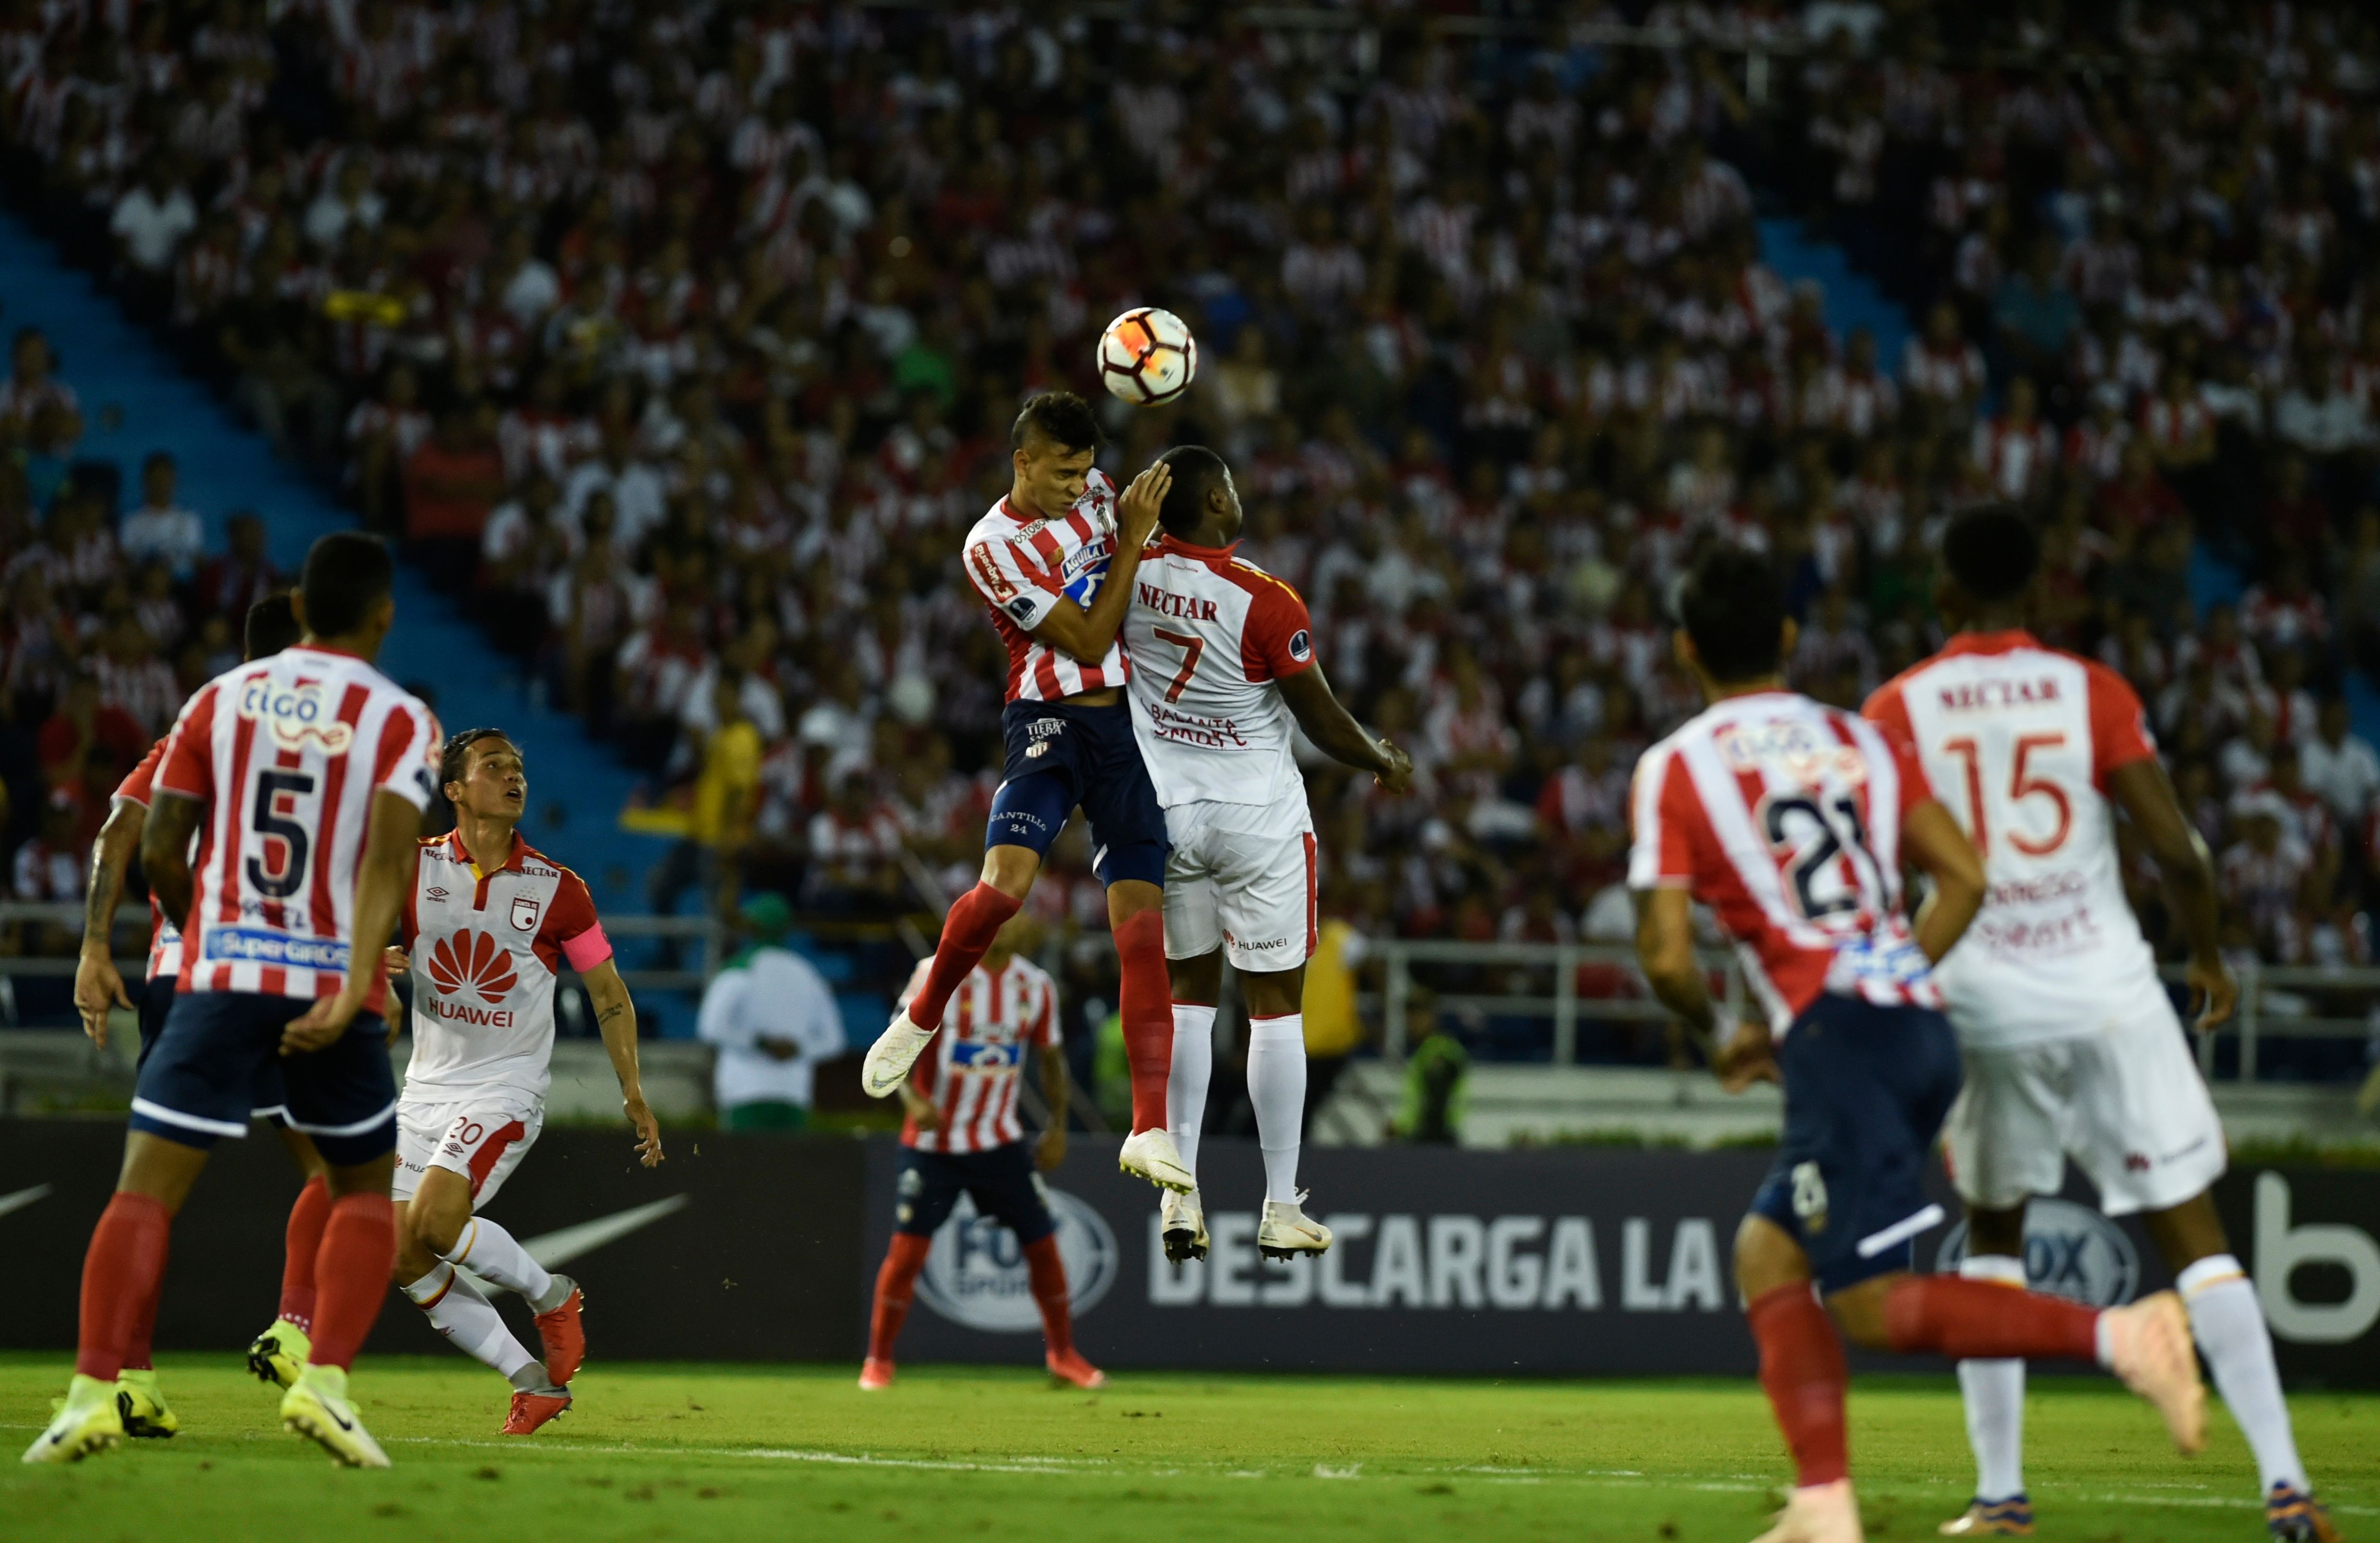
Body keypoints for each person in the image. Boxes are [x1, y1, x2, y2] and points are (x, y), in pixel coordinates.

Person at [1629, 546, 2206, 1543]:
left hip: (1839, 1040)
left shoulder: (1674, 766)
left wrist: (1725, 1035)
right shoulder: (1860, 738)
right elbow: (1965, 878)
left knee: (1867, 1304)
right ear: (1786, 638)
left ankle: (2121, 1330)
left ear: (1684, 651)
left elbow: (1666, 957)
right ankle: (1822, 1499)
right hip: (1916, 1025)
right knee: (1769, 1252)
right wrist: (1890, 969)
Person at [1864, 508, 2341, 1543]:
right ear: (2035, 591)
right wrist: (2206, 951)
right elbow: (2178, 849)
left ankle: (2000, 1498)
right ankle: (2286, 1485)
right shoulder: (2092, 691)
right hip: (2110, 993)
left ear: (1943, 593)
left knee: (1993, 1233)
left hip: (1985, 1007)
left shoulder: (1899, 705)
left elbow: (1879, 869)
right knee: (2195, 1236)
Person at [27, 533, 437, 1468]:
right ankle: (325, 1383)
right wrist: (350, 982)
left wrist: (205, 933)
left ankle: (94, 1391)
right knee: (362, 1191)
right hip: (329, 982)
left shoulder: (218, 700)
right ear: (382, 614)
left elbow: (157, 841)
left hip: (214, 974)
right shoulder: (398, 717)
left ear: (299, 612)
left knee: (145, 1190)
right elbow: (384, 862)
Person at [860, 392, 1191, 1195]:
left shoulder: (1104, 495)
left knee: (1142, 929)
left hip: (1125, 736)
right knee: (1004, 888)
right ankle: (920, 1016)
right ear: (1023, 461)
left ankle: (1151, 1129)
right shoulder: (989, 545)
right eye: (1063, 473)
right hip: (1045, 721)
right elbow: (1082, 636)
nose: (1079, 487)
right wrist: (1135, 541)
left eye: (1085, 471)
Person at [1121, 445, 1412, 1263]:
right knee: (1273, 1007)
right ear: (1214, 502)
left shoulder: (1127, 577)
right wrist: (1380, 758)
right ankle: (1279, 1204)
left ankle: (1180, 1199)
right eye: (1231, 488)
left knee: (1187, 1001)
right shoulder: (1261, 599)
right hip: (1256, 818)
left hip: (1167, 813)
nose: (1238, 496)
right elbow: (1320, 721)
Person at [360, 726, 662, 1436]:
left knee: (435, 1221)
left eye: (518, 766)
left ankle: (550, 1292)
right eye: (493, 766)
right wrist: (377, 974)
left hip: (505, 1089)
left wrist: (633, 1090)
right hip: (426, 1088)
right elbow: (371, 980)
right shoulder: (408, 870)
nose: (512, 776)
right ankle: (531, 1380)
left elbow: (609, 994)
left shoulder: (560, 890)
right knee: (398, 1248)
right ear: (456, 790)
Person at [71, 595, 317, 1439]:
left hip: (185, 975)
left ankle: (124, 1378)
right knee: (347, 1171)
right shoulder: (332, 738)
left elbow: (120, 825)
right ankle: (299, 1331)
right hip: (285, 975)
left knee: (147, 1195)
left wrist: (95, 945)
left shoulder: (198, 726)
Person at [861, 912, 1102, 1391]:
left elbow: (1051, 1061)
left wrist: (1056, 1126)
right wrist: (912, 1101)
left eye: (1019, 919)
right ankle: (878, 1360)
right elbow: (894, 1046)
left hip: (999, 1141)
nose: (1012, 925)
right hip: (933, 1144)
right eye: (1003, 915)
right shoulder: (935, 971)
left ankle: (1062, 1355)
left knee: (1043, 1245)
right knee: (907, 1253)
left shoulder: (1036, 986)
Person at [697, 893, 847, 1130]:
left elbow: (711, 1027)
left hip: (744, 1090)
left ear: (752, 928)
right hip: (793, 1092)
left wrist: (760, 1044)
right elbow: (834, 1041)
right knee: (789, 1167)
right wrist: (797, 1048)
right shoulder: (808, 974)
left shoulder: (739, 969)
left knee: (741, 1166)